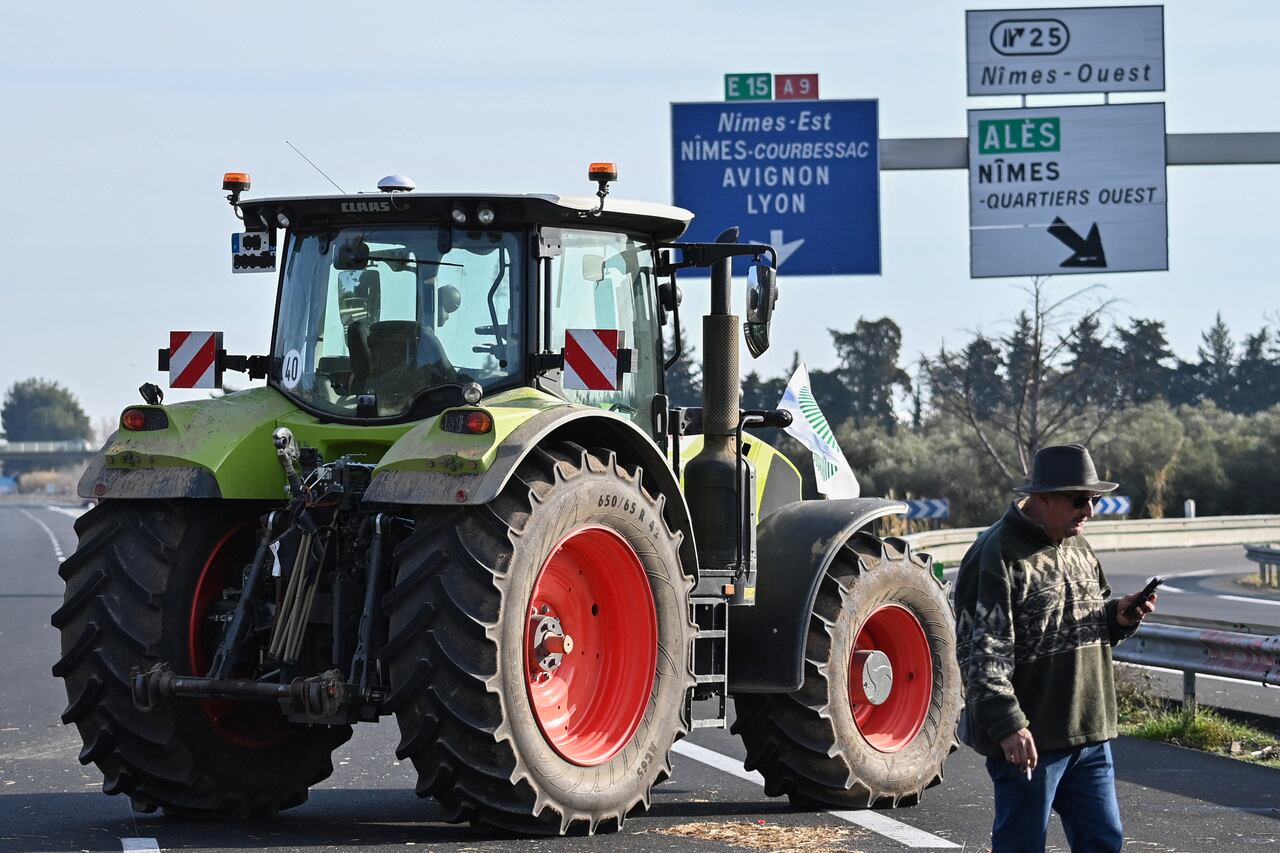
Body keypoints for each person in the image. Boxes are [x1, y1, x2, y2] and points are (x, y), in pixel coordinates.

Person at [954, 443, 1157, 853]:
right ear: (1042, 498)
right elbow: (980, 651)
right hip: (1032, 738)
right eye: (1079, 500)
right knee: (1023, 845)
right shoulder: (995, 554)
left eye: (1095, 499)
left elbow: (1086, 617)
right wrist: (1007, 725)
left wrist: (1116, 617)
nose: (1091, 510)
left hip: (1089, 732)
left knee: (1104, 842)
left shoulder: (1079, 545)